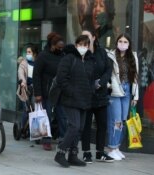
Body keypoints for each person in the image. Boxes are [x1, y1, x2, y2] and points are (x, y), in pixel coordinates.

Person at [54, 35, 94, 167]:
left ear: (88, 46)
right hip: (70, 99)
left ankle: (73, 154)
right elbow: (61, 78)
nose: (83, 47)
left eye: (86, 45)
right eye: (80, 44)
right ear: (76, 45)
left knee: (80, 128)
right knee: (74, 126)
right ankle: (60, 153)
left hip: (84, 99)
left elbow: (91, 80)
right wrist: (70, 91)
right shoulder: (69, 58)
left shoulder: (89, 60)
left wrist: (91, 92)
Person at [80, 29, 114, 163]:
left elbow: (108, 69)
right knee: (86, 125)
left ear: (94, 37)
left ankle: (100, 152)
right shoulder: (81, 54)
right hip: (86, 96)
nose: (85, 39)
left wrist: (102, 82)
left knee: (102, 124)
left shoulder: (101, 52)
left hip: (101, 94)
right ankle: (86, 152)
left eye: (87, 36)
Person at [107, 33, 139, 160]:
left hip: (127, 91)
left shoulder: (133, 57)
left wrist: (135, 96)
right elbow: (106, 73)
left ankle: (117, 147)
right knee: (116, 121)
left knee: (123, 120)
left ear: (129, 44)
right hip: (115, 91)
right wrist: (109, 86)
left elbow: (135, 78)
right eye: (120, 41)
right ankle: (111, 148)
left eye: (125, 42)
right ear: (116, 42)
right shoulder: (110, 55)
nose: (123, 43)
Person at [33, 32, 65, 151]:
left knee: (62, 116)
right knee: (46, 116)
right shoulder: (43, 56)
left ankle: (63, 138)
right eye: (59, 47)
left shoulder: (63, 56)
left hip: (60, 91)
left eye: (62, 47)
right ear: (52, 45)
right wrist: (38, 93)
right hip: (47, 91)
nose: (60, 49)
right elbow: (36, 75)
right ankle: (46, 139)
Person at [17, 44, 38, 131]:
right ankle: (22, 127)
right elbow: (20, 73)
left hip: (36, 89)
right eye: (27, 52)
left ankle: (34, 128)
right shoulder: (23, 63)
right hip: (25, 89)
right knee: (27, 109)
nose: (27, 54)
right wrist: (22, 82)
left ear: (34, 54)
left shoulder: (38, 63)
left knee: (35, 109)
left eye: (29, 52)